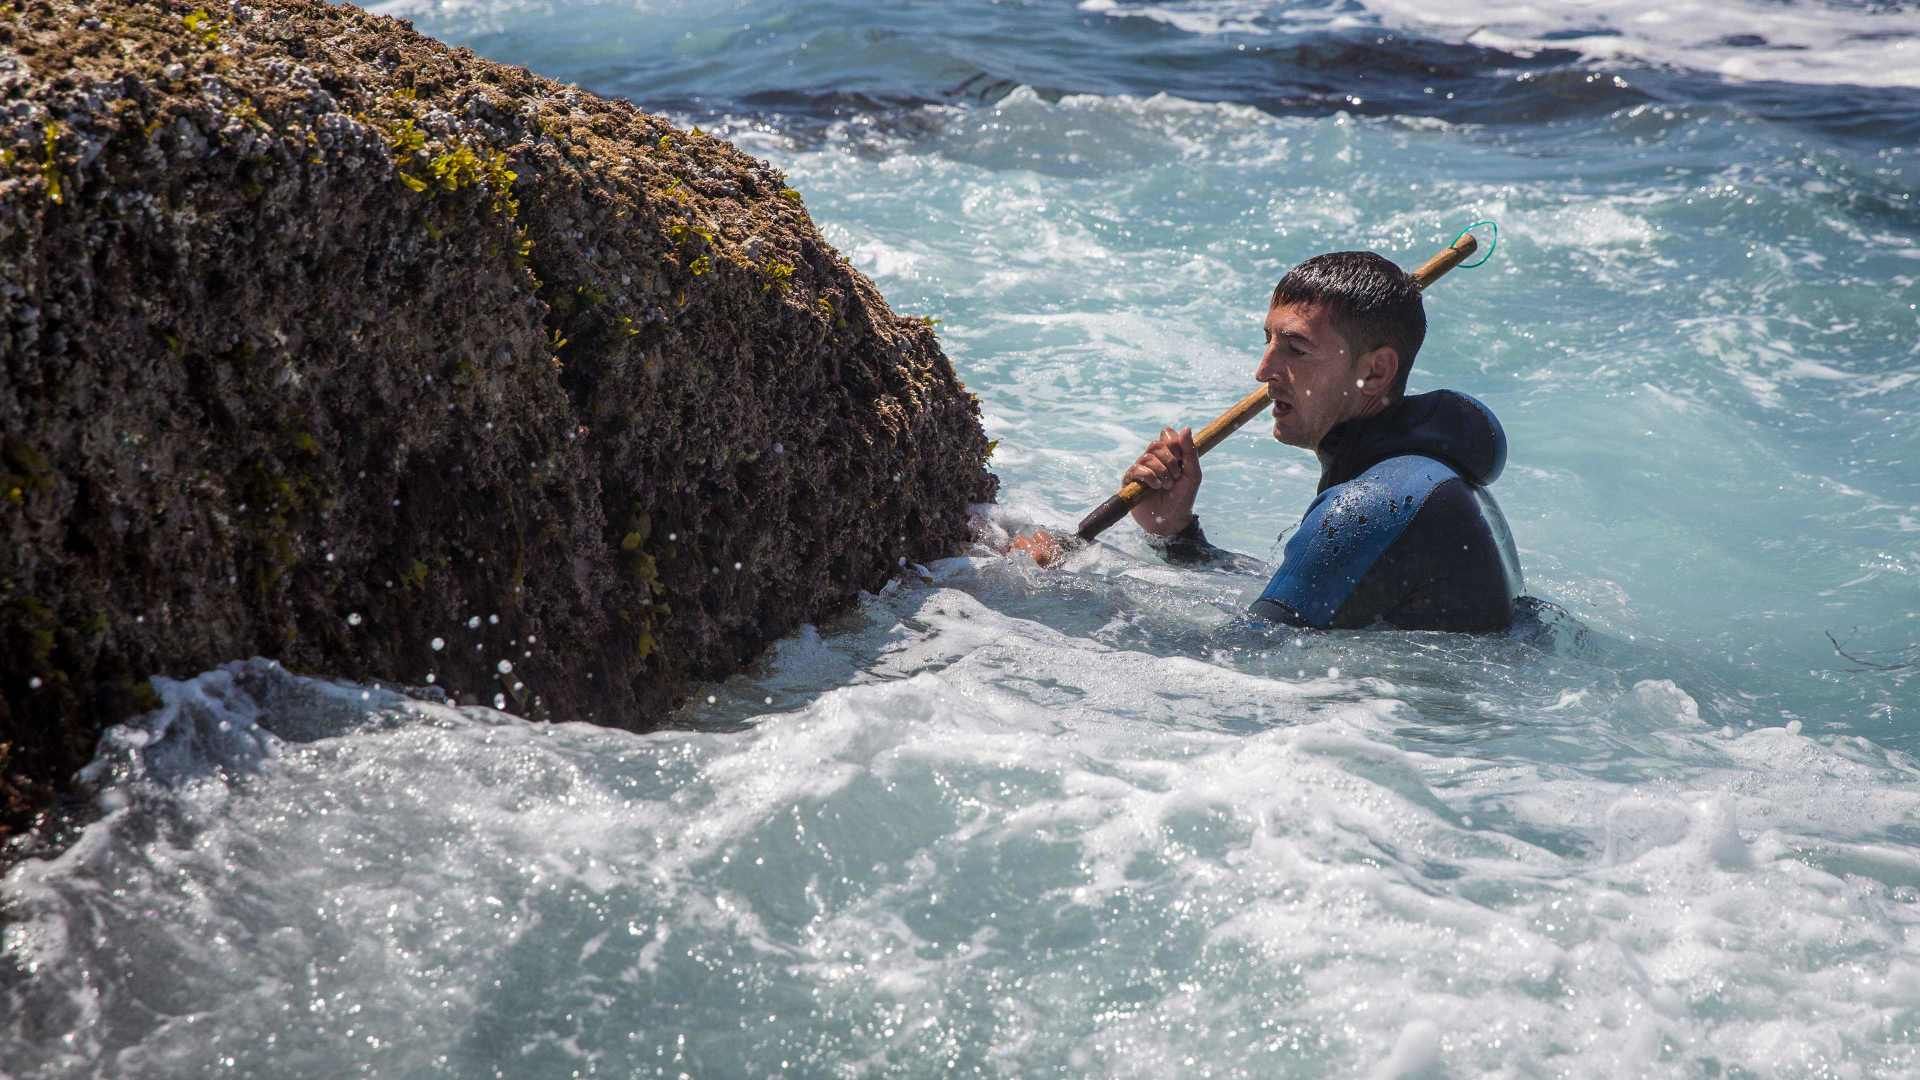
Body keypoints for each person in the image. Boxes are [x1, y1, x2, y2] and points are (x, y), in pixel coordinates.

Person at [1124, 250, 1523, 632]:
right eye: (1268, 342)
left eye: (1296, 348)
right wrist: (1175, 535)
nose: (1263, 371)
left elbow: (1234, 661)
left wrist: (1066, 583)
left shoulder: (1372, 505)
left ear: (1376, 371)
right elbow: (1307, 588)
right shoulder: (1418, 477)